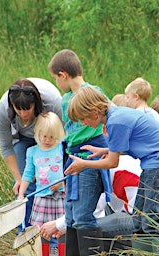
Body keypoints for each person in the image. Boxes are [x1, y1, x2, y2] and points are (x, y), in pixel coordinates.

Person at [65, 86, 159, 254]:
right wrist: (104, 150)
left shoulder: (115, 121)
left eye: (83, 119)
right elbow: (131, 143)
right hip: (153, 165)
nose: (83, 123)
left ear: (95, 111)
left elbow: (112, 163)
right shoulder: (117, 115)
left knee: (151, 221)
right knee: (138, 221)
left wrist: (83, 164)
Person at [40, 154, 159, 255]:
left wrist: (59, 225)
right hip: (148, 221)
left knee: (86, 233)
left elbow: (88, 214)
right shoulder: (114, 162)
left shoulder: (110, 170)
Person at [48, 49, 111, 255]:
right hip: (72, 159)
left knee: (84, 215)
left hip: (89, 158)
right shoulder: (65, 99)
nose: (57, 83)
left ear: (63, 75)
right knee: (72, 215)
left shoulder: (92, 91)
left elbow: (111, 114)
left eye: (55, 79)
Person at [0, 78, 62, 234]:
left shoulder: (53, 102)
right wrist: (18, 179)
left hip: (52, 138)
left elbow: (64, 138)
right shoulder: (3, 110)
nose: (23, 114)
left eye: (27, 109)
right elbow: (5, 146)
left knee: (50, 182)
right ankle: (26, 234)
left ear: (36, 103)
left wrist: (55, 170)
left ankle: (53, 234)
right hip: (23, 140)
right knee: (27, 185)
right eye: (18, 110)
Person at [18, 112, 66, 256]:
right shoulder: (32, 151)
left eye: (51, 136)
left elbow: (68, 170)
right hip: (42, 197)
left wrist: (61, 182)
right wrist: (21, 194)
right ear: (37, 133)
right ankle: (44, 254)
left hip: (60, 196)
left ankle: (62, 253)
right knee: (42, 232)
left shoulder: (61, 148)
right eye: (44, 136)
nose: (47, 140)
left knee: (62, 230)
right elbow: (27, 174)